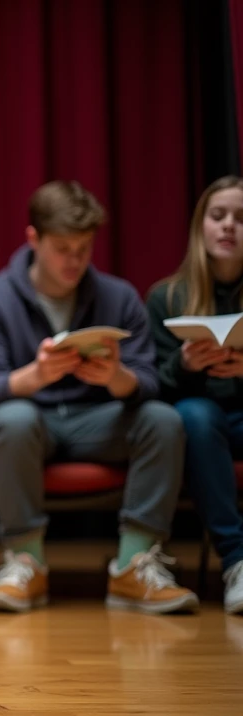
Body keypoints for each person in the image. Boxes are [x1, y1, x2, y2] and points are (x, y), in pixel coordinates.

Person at [0, 180, 195, 615]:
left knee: (164, 419)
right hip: (30, 423)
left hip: (100, 419)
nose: (74, 261)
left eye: (84, 249)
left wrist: (117, 377)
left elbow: (150, 382)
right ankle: (26, 562)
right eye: (62, 248)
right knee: (13, 419)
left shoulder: (119, 295)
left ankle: (134, 565)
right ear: (33, 239)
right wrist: (34, 375)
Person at [145, 176, 243, 614]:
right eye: (218, 216)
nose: (228, 227)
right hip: (202, 424)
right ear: (200, 226)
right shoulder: (167, 297)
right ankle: (238, 562)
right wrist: (185, 365)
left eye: (240, 219)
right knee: (194, 416)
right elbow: (152, 389)